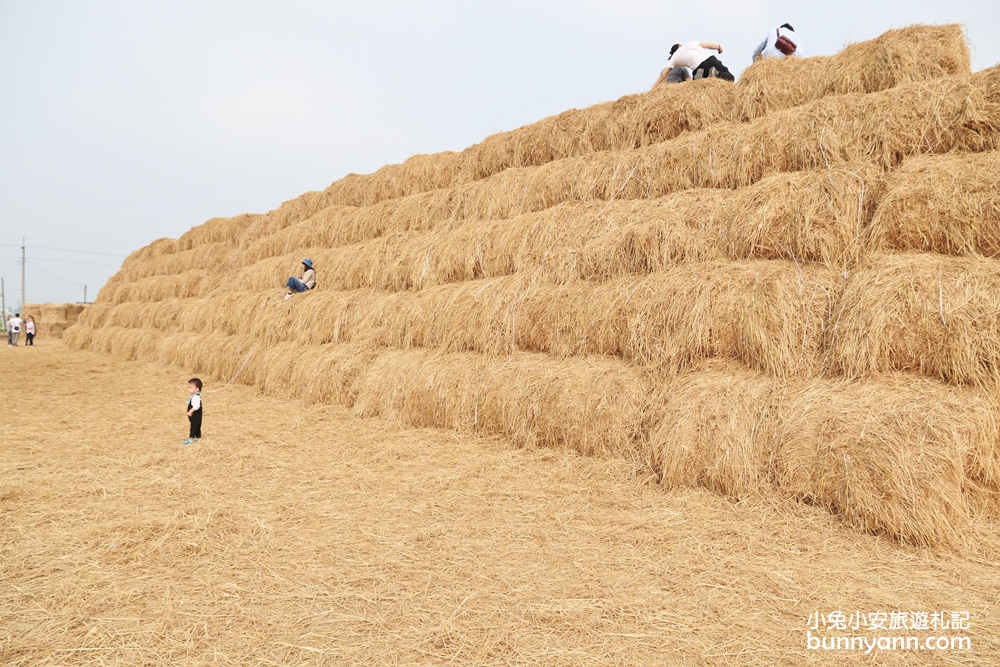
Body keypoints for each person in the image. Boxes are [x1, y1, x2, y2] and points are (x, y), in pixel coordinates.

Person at [652, 41, 735, 88]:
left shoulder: (674, 58)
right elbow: (706, 45)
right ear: (680, 46)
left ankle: (699, 76)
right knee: (731, 77)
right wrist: (718, 47)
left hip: (698, 66)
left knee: (697, 87)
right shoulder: (690, 43)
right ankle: (717, 73)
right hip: (711, 59)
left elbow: (663, 75)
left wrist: (653, 88)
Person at [184, 377, 203, 445]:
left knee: (194, 426)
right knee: (197, 425)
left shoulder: (196, 397)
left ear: (197, 389)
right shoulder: (194, 396)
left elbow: (196, 406)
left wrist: (190, 411)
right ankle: (198, 437)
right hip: (195, 416)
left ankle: (191, 438)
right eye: (188, 387)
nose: (188, 389)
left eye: (190, 388)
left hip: (196, 415)